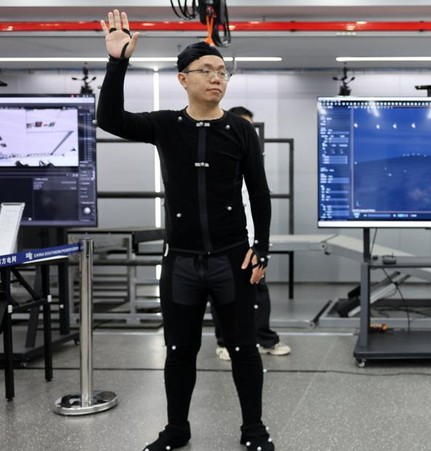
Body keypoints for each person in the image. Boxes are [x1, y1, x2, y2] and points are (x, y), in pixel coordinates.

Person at [98, 10, 274, 451]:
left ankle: (253, 430)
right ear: (183, 79)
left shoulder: (240, 131)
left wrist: (261, 249)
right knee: (179, 351)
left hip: (232, 260)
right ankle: (177, 429)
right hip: (180, 263)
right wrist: (117, 62)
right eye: (207, 71)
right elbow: (110, 118)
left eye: (221, 72)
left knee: (244, 349)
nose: (217, 79)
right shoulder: (164, 126)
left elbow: (260, 193)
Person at [212, 106, 291, 361]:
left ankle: (265, 338)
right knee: (222, 294)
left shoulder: (253, 161)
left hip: (251, 241)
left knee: (259, 291)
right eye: (242, 126)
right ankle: (224, 342)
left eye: (250, 128)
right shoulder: (218, 162)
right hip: (224, 240)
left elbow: (258, 200)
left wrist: (260, 243)